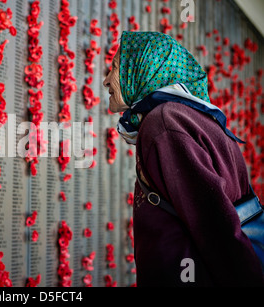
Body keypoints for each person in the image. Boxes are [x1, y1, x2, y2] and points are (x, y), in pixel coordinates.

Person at [103, 31, 264, 287]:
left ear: (142, 68)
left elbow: (213, 225)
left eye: (114, 68)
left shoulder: (164, 123)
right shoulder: (191, 117)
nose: (106, 81)